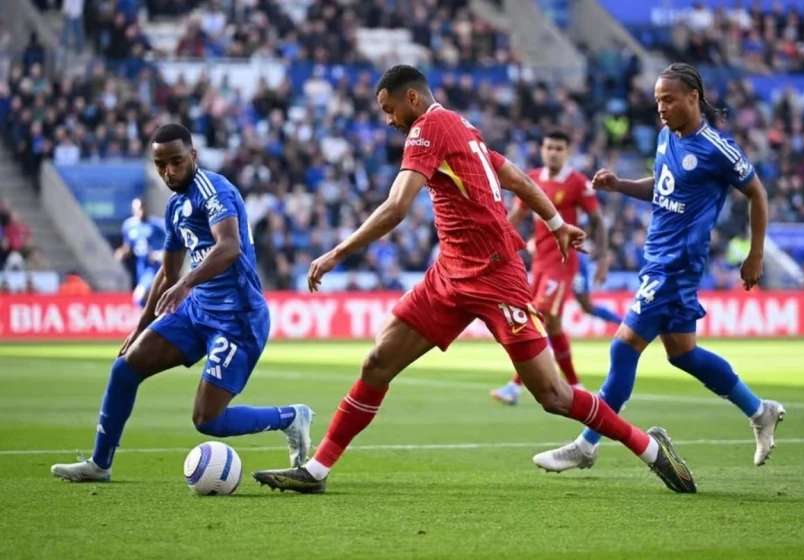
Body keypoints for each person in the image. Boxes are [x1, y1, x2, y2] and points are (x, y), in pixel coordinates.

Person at [252, 65, 696, 495]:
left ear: (412, 97)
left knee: (554, 395)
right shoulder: (462, 127)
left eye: (389, 110)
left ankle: (652, 449)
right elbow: (518, 178)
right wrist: (557, 221)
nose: (388, 121)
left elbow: (396, 207)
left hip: (496, 276)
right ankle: (317, 469)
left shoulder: (427, 128)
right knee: (377, 363)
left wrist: (336, 253)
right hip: (449, 274)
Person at [532, 63, 786, 475]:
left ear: (693, 97)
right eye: (657, 100)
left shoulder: (717, 148)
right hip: (657, 259)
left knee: (622, 347)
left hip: (676, 266)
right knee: (683, 355)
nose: (661, 108)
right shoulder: (668, 136)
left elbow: (756, 192)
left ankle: (587, 443)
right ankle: (760, 411)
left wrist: (755, 254)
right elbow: (662, 184)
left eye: (668, 99)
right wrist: (621, 186)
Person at [51, 124, 313, 482]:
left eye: (176, 162)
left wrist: (186, 283)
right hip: (197, 312)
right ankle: (100, 464)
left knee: (208, 421)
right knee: (125, 368)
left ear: (193, 156)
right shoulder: (175, 207)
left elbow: (228, 246)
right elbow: (167, 272)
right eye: (161, 165)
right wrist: (141, 324)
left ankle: (291, 417)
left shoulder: (213, 189)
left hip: (237, 320)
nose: (168, 172)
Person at [491, 130, 620, 405]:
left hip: (562, 263)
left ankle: (515, 386)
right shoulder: (533, 179)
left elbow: (598, 219)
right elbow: (518, 214)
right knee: (554, 325)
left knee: (539, 318)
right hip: (539, 263)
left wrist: (604, 258)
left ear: (568, 151)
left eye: (559, 148)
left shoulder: (577, 183)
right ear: (541, 149)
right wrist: (496, 242)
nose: (553, 152)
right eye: (549, 147)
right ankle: (576, 385)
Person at [116, 198, 166, 308]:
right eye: (138, 208)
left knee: (139, 295)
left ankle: (144, 321)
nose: (141, 211)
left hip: (153, 267)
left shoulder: (157, 225)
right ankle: (150, 320)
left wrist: (159, 254)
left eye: (143, 207)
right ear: (133, 210)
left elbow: (172, 242)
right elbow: (129, 246)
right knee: (148, 299)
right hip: (140, 267)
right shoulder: (129, 225)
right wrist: (123, 252)